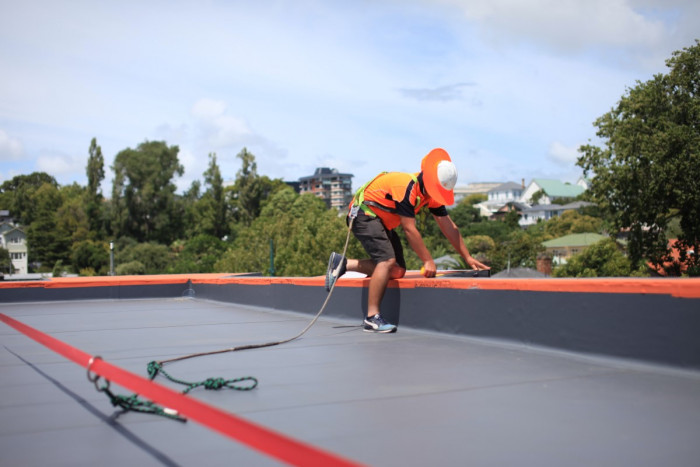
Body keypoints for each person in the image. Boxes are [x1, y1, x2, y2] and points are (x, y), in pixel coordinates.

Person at [325, 148, 490, 333]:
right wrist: (428, 260)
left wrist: (467, 257)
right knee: (386, 261)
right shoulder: (406, 186)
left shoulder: (430, 196)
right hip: (364, 214)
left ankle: (344, 264)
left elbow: (449, 226)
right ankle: (372, 318)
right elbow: (409, 229)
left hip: (381, 221)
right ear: (429, 180)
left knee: (397, 270)